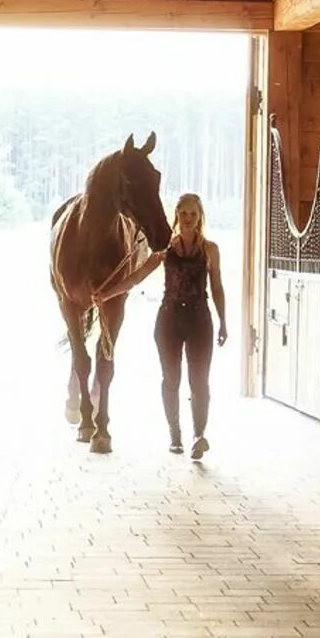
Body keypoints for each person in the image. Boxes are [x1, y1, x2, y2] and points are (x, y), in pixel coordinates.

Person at [94, 193, 227, 459]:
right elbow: (136, 277)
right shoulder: (165, 248)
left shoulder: (210, 249)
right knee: (171, 379)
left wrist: (223, 321)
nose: (188, 219)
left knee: (199, 381)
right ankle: (175, 434)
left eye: (193, 213)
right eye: (183, 213)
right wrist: (106, 294)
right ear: (176, 215)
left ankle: (199, 435)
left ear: (199, 216)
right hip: (169, 320)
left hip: (200, 319)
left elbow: (217, 286)